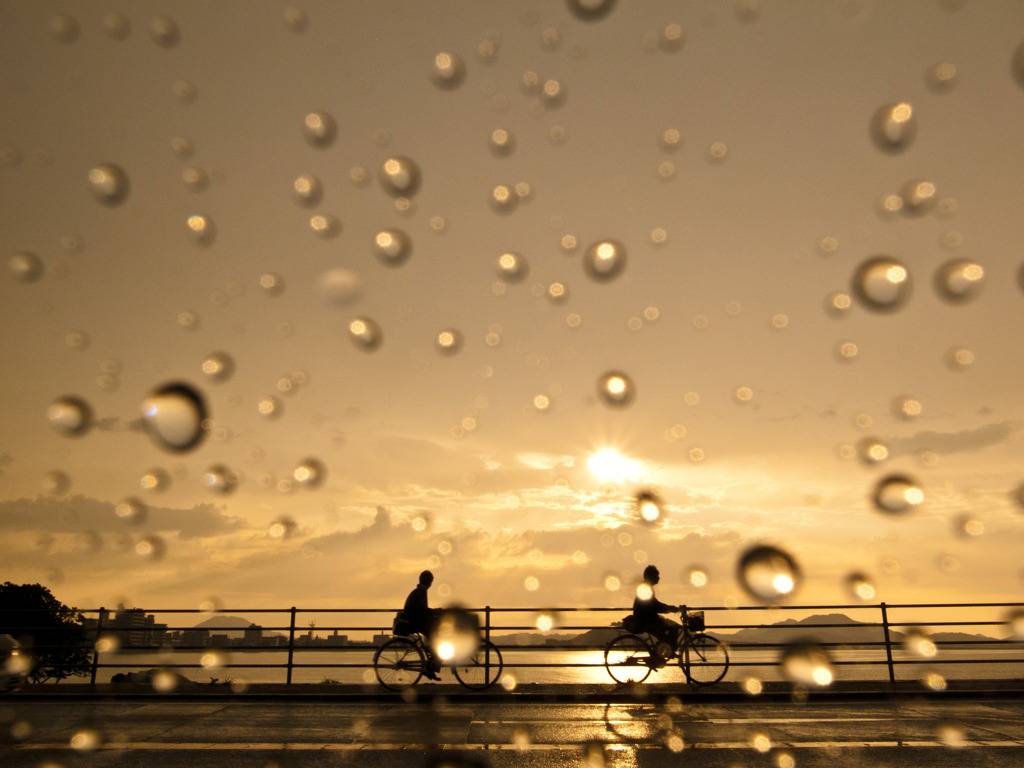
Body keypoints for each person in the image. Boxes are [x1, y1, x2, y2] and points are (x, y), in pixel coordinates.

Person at [632, 565, 681, 663]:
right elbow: (655, 605)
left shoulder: (645, 587)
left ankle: (661, 654)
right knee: (674, 628)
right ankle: (661, 655)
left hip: (646, 618)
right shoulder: (645, 589)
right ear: (651, 576)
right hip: (646, 620)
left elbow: (654, 604)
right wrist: (671, 609)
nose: (659, 577)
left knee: (667, 631)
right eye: (657, 575)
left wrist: (669, 608)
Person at [402, 570, 442, 680]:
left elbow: (421, 609)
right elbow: (422, 609)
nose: (431, 584)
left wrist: (433, 612)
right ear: (429, 582)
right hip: (416, 622)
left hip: (414, 620)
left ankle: (430, 666)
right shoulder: (422, 591)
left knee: (433, 641)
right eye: (431, 582)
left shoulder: (419, 590)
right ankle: (430, 667)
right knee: (437, 640)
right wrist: (435, 612)